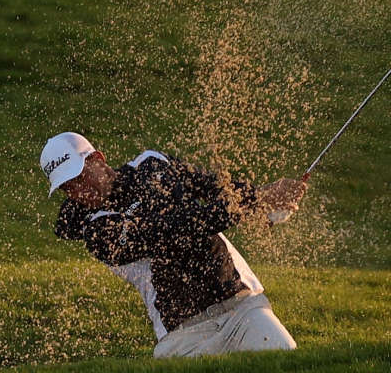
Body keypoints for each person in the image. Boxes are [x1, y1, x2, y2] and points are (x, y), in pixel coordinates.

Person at [39, 131, 307, 358]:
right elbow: (174, 232)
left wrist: (263, 199)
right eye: (68, 188)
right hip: (183, 335)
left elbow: (213, 187)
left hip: (240, 306)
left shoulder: (151, 164)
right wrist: (255, 200)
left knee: (287, 368)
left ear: (98, 159)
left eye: (81, 178)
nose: (80, 192)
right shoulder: (97, 230)